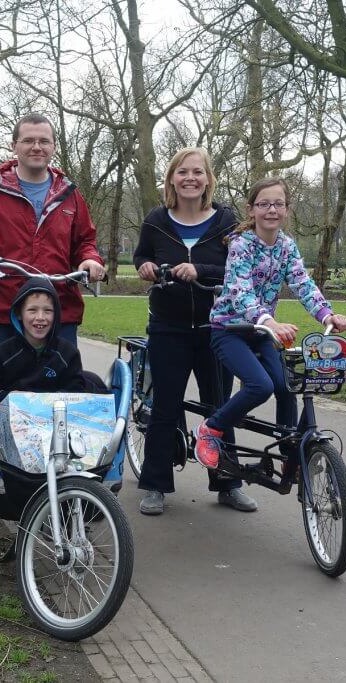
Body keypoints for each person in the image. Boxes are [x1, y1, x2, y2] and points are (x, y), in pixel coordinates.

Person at [0, 113, 105, 528]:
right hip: (1, 312)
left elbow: (86, 239)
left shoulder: (69, 194)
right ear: (14, 146)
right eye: (28, 140)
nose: (37, 147)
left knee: (62, 400)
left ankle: (61, 488)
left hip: (58, 311)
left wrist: (90, 259)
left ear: (53, 147)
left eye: (44, 141)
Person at [194, 177, 346, 473]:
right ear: (251, 209)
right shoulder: (241, 245)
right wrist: (270, 322)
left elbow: (303, 285)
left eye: (278, 204)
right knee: (260, 386)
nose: (271, 210)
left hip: (262, 331)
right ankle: (211, 430)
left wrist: (327, 315)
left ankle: (289, 447)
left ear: (287, 210)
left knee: (286, 385)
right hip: (229, 330)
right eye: (264, 204)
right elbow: (241, 293)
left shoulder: (286, 246)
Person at [132, 147, 256, 516]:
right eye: (183, 172)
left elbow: (238, 269)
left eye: (197, 172)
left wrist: (199, 269)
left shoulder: (226, 221)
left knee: (220, 405)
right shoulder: (156, 220)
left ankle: (227, 483)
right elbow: (140, 256)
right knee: (165, 406)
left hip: (217, 328)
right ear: (171, 178)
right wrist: (146, 266)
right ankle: (155, 484)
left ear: (208, 179)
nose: (190, 178)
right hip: (168, 327)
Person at [0, 277, 88, 414]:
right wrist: (13, 401)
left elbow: (76, 393)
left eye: (48, 311)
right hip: (12, 424)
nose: (40, 317)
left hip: (56, 423)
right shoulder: (1, 355)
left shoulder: (68, 354)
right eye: (32, 310)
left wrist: (47, 403)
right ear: (19, 314)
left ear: (56, 315)